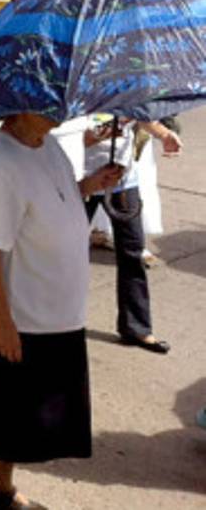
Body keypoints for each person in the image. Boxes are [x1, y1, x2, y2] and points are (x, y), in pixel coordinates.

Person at [0, 112, 123, 510]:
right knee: (9, 414)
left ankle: (0, 486)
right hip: (24, 316)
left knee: (28, 418)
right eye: (48, 100)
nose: (59, 109)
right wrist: (4, 322)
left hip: (61, 311)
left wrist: (91, 184)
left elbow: (55, 200)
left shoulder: (48, 145)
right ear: (22, 104)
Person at [82, 116, 181, 354]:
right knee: (63, 255)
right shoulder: (79, 93)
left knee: (133, 252)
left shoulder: (124, 92)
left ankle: (136, 328)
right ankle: (50, 326)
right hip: (81, 179)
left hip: (123, 180)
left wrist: (164, 135)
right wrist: (101, 134)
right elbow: (61, 135)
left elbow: (141, 116)